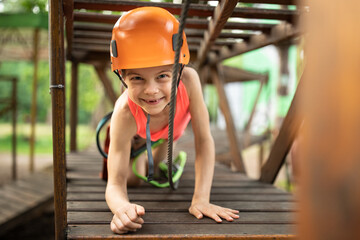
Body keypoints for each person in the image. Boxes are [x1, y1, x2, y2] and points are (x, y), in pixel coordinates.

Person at [106, 7, 239, 234]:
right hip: (138, 137)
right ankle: (154, 157)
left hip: (171, 131)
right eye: (137, 78)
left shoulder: (189, 80)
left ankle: (168, 155)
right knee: (134, 179)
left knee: (159, 164)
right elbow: (115, 184)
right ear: (122, 77)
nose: (151, 90)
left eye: (163, 76)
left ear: (179, 70)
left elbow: (204, 140)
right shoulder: (124, 112)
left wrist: (201, 198)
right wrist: (121, 208)